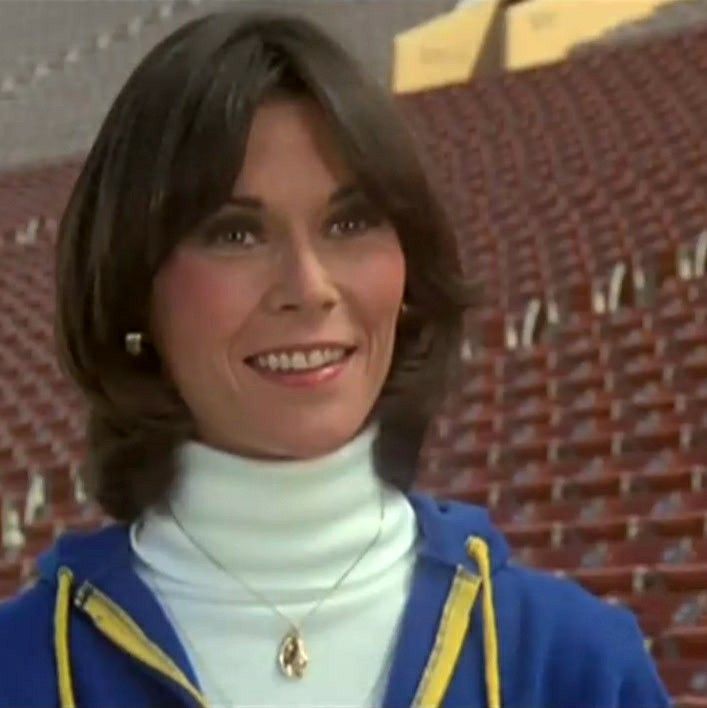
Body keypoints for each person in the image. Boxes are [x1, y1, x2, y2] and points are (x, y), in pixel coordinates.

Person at [0, 11, 669, 708]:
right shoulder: (18, 671)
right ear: (134, 288)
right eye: (235, 233)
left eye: (350, 223)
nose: (309, 287)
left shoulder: (574, 666)